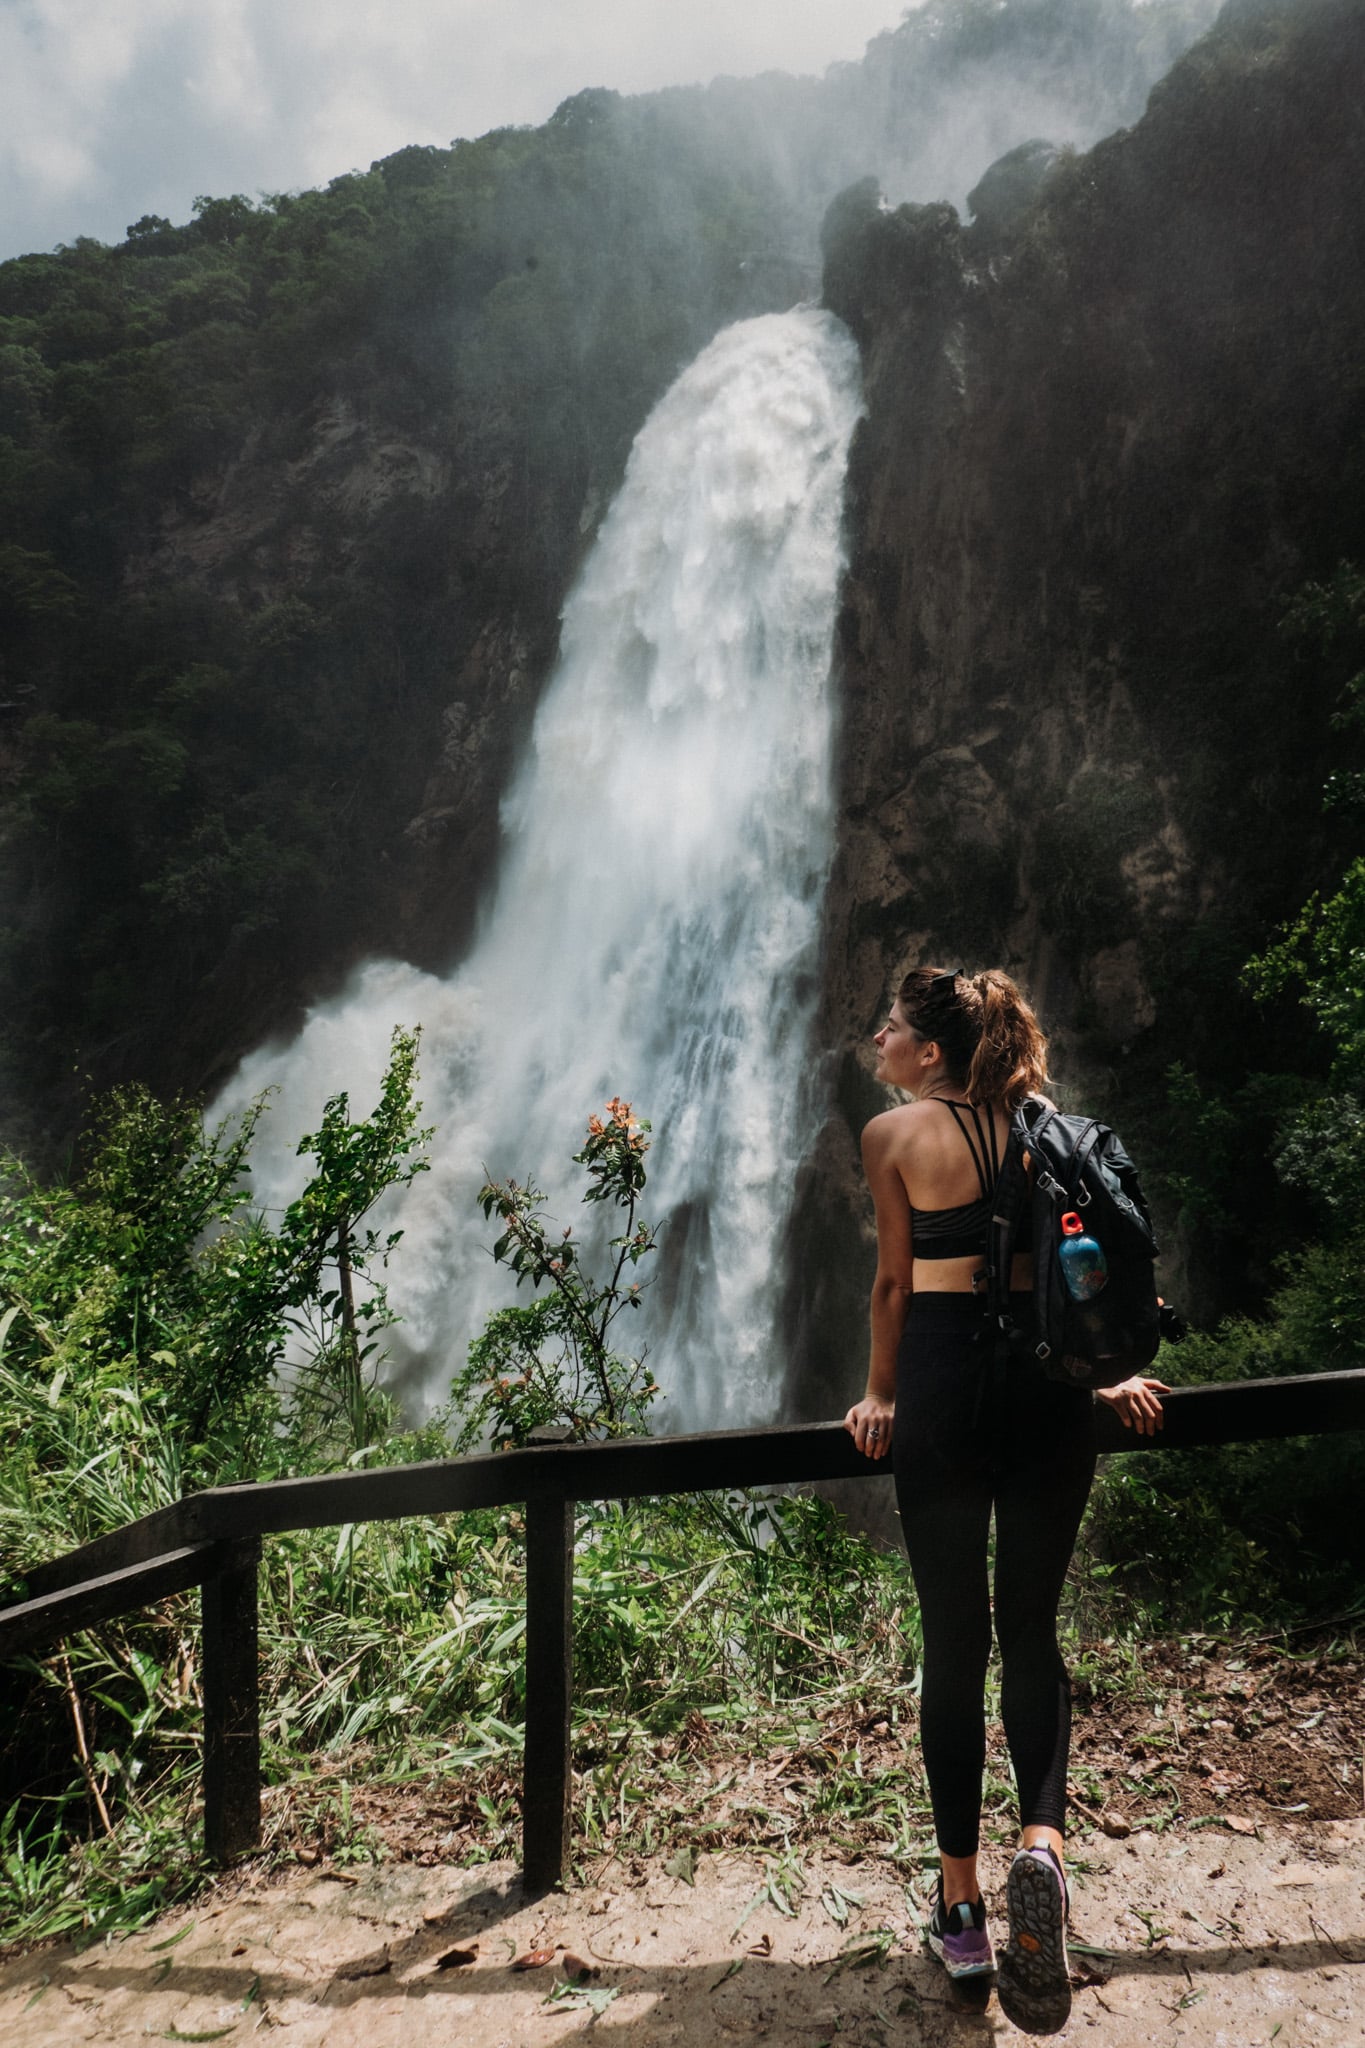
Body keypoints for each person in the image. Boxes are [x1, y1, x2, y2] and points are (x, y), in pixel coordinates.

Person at [843, 965, 1167, 2036]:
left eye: (893, 1027)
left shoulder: (894, 1136)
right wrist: (1102, 1376)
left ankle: (962, 1906)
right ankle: (1043, 1846)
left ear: (932, 1051)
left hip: (941, 1390)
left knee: (954, 1642)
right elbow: (1066, 1271)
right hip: (1045, 1392)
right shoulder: (1044, 1129)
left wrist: (880, 1393)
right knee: (1031, 1631)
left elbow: (895, 1284)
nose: (880, 1039)